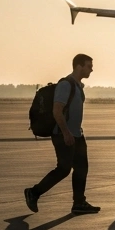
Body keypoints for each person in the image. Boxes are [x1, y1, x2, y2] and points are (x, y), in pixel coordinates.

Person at [24, 54, 99, 215]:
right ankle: (34, 192)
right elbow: (57, 111)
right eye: (89, 66)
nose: (92, 69)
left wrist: (75, 132)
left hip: (76, 134)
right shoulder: (66, 85)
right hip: (63, 134)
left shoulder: (78, 86)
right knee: (64, 169)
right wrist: (66, 133)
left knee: (81, 168)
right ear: (79, 66)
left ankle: (79, 203)